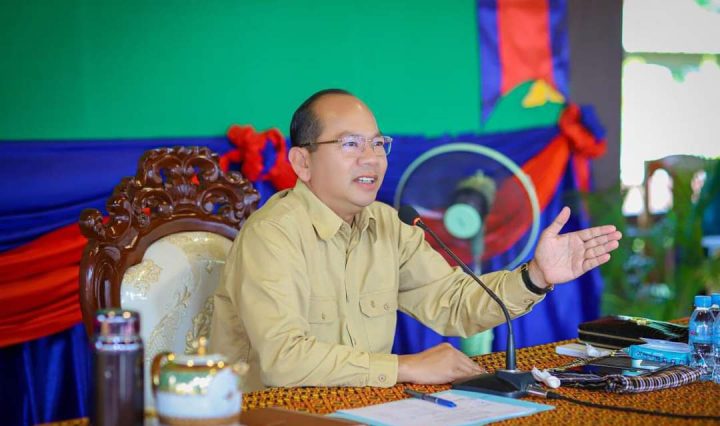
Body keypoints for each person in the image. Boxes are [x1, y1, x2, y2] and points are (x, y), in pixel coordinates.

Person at [210, 89, 622, 391]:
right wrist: (405, 366)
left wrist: (535, 276)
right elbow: (284, 362)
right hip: (270, 416)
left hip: (364, 411)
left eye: (378, 143)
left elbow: (455, 303)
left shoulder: (388, 225)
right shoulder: (272, 235)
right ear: (302, 162)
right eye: (350, 144)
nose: (371, 158)